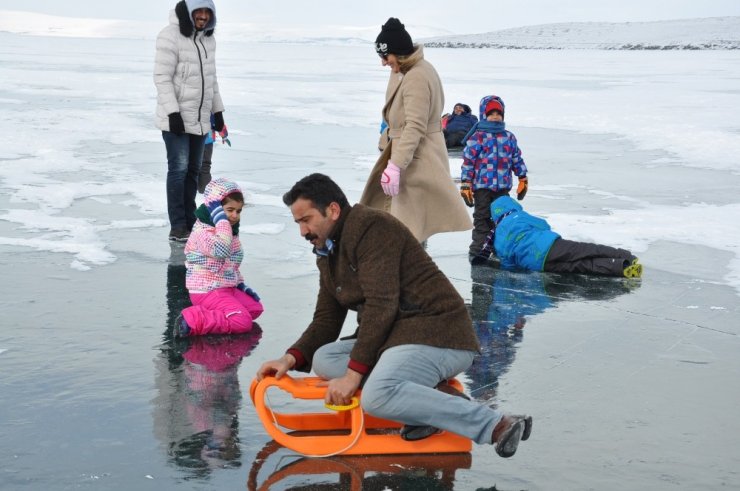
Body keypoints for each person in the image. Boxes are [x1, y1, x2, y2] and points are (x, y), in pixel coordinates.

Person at [256, 173, 532, 458]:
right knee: (324, 358)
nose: (303, 231)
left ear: (333, 210)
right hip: (396, 338)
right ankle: (431, 400)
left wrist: (353, 376)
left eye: (306, 220)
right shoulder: (328, 250)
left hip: (438, 334)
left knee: (377, 396)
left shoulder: (372, 228)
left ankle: (496, 424)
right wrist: (289, 358)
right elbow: (327, 318)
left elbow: (381, 304)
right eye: (298, 223)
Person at [360, 17, 472, 243]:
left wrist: (395, 165)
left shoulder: (416, 76)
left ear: (398, 52)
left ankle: (411, 274)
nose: (383, 62)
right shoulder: (406, 70)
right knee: (406, 226)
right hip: (408, 154)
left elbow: (415, 126)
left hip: (416, 159)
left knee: (407, 229)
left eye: (385, 56)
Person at [154, 0, 226, 242]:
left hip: (200, 117)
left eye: (207, 12)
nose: (203, 16)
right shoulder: (170, 36)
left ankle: (190, 218)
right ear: (188, 12)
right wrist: (173, 112)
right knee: (178, 170)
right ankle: (178, 226)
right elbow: (162, 77)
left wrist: (217, 112)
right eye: (199, 11)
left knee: (193, 172)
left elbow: (211, 80)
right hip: (176, 120)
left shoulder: (208, 40)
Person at [174, 178, 264, 336]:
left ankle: (218, 313)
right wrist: (221, 220)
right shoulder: (203, 231)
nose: (235, 215)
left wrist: (240, 284)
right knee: (242, 321)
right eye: (229, 210)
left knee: (254, 308)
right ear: (214, 208)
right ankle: (192, 319)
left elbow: (231, 264)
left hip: (224, 286)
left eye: (238, 211)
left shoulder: (229, 231)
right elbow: (220, 251)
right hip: (207, 289)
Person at [480, 195, 643, 278]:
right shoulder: (518, 216)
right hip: (549, 246)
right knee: (587, 250)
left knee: (582, 266)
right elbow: (543, 225)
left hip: (537, 264)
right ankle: (626, 257)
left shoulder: (497, 238)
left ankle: (621, 269)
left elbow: (509, 264)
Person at [460, 95, 529, 264]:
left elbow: (516, 159)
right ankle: (477, 249)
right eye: (491, 113)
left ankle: (497, 248)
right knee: (482, 217)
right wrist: (466, 184)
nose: (495, 116)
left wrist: (522, 178)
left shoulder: (509, 137)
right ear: (484, 115)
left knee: (502, 219)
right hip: (482, 187)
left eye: (499, 113)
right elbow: (468, 163)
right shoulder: (477, 137)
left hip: (502, 188)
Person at [199, 114, 230, 194]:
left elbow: (217, 120)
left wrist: (224, 135)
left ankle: (201, 189)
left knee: (195, 165)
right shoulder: (209, 104)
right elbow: (217, 119)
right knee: (205, 165)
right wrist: (224, 135)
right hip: (206, 139)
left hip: (198, 139)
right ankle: (204, 190)